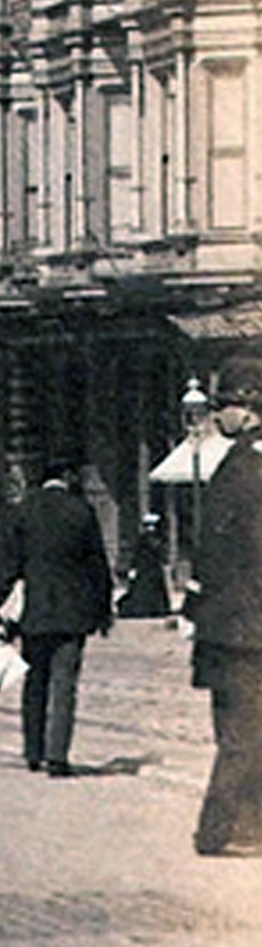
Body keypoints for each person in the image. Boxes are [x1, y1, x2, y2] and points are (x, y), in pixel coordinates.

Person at [185, 353, 262, 856]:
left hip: (232, 623)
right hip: (245, 626)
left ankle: (246, 827)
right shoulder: (247, 465)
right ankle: (218, 830)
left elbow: (216, 550)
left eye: (224, 405)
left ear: (250, 406)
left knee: (240, 731)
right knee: (244, 733)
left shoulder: (241, 467)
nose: (216, 416)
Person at [0, 463, 114, 778]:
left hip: (34, 610)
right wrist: (103, 610)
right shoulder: (81, 511)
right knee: (64, 684)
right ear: (67, 478)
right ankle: (58, 756)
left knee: (34, 681)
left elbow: (9, 564)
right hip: (73, 612)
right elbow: (97, 565)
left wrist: (3, 611)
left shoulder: (24, 511)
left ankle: (33, 751)